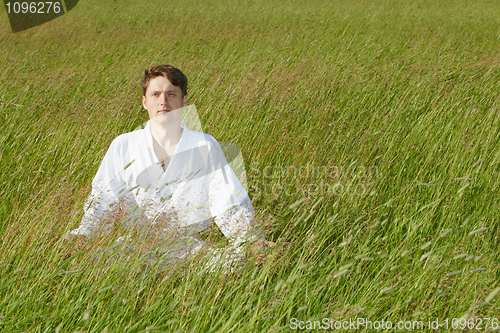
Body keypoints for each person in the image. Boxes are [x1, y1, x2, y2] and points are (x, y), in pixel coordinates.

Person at [64, 64, 272, 267]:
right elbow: (104, 199)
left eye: (171, 94)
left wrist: (250, 240)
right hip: (132, 250)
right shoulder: (123, 145)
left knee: (238, 263)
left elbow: (228, 199)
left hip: (190, 252)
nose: (163, 101)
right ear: (144, 102)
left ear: (184, 101)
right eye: (156, 94)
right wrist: (84, 235)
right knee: (89, 265)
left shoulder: (204, 145)